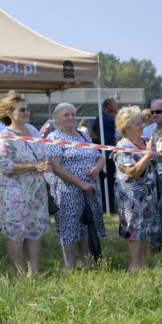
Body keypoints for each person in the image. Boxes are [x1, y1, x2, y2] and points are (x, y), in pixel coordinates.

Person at [0, 90, 51, 277]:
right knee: (16, 231)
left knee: (34, 230)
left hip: (36, 190)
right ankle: (19, 275)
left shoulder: (33, 131)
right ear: (10, 113)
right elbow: (5, 166)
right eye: (22, 110)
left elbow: (42, 155)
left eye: (28, 109)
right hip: (14, 192)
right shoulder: (5, 136)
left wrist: (44, 165)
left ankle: (34, 272)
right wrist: (34, 166)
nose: (27, 112)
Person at [44, 102, 106, 269]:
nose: (71, 117)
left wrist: (97, 167)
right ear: (57, 118)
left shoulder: (83, 136)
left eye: (73, 114)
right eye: (66, 114)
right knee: (69, 229)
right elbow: (56, 167)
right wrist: (81, 183)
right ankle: (69, 268)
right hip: (68, 192)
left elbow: (100, 157)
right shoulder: (54, 138)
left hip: (90, 191)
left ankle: (86, 265)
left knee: (86, 228)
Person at [111, 106, 159, 271]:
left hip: (148, 194)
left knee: (145, 228)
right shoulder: (123, 146)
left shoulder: (145, 141)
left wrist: (156, 152)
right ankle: (134, 264)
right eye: (137, 123)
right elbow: (132, 172)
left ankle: (142, 262)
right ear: (126, 128)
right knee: (134, 229)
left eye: (141, 122)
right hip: (131, 197)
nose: (141, 126)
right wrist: (147, 155)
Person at [147, 99, 162, 254]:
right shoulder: (151, 131)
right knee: (159, 209)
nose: (154, 115)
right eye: (152, 112)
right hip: (156, 175)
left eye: (158, 111)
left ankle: (156, 243)